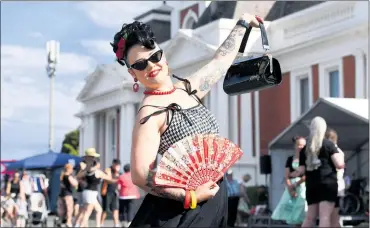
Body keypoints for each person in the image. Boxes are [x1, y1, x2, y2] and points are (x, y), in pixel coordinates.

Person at [110, 13, 264, 227]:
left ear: (163, 56)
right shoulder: (150, 112)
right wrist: (189, 196)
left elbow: (219, 62)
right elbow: (140, 174)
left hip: (216, 197)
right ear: (132, 73)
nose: (151, 66)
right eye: (140, 64)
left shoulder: (188, 89)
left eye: (154, 57)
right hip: (186, 209)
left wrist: (243, 23)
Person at [294, 117, 345, 227]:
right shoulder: (329, 145)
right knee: (324, 217)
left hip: (311, 185)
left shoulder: (305, 148)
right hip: (327, 184)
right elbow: (339, 164)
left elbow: (301, 170)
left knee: (309, 218)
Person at [271, 136, 307, 226]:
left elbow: (307, 175)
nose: (301, 147)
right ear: (295, 146)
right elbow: (287, 176)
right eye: (299, 145)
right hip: (291, 187)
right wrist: (290, 188)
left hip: (303, 187)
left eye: (303, 145)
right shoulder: (290, 159)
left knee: (302, 211)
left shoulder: (307, 159)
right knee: (291, 212)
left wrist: (295, 183)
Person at [78, 151, 118, 228]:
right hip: (91, 193)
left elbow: (79, 176)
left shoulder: (87, 170)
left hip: (87, 192)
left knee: (98, 210)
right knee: (87, 212)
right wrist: (109, 172)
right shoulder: (97, 172)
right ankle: (81, 226)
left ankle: (97, 225)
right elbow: (109, 178)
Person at [325, 128, 345, 227]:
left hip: (332, 187)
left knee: (330, 217)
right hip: (336, 187)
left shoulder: (334, 152)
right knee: (333, 217)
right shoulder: (338, 151)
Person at [117, 164, 140, 228]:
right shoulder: (134, 176)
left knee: (123, 209)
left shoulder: (121, 176)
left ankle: (123, 222)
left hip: (123, 196)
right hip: (133, 195)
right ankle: (129, 223)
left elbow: (118, 187)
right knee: (130, 209)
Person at [101, 159, 121, 227]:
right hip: (107, 192)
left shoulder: (118, 172)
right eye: (116, 165)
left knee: (115, 208)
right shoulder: (108, 170)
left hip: (114, 192)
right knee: (105, 209)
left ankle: (116, 224)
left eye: (118, 165)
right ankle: (101, 223)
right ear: (113, 164)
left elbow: (120, 182)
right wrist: (117, 179)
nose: (117, 167)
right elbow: (108, 180)